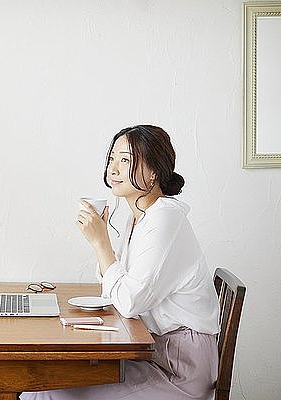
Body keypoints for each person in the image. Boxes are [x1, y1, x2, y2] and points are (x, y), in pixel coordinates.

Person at [21, 125, 220, 400]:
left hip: (180, 371)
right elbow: (115, 293)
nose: (113, 169)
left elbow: (128, 302)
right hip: (151, 353)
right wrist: (102, 243)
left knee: (48, 393)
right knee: (41, 386)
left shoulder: (165, 219)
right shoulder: (138, 217)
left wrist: (101, 243)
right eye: (112, 158)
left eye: (125, 160)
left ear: (154, 172)